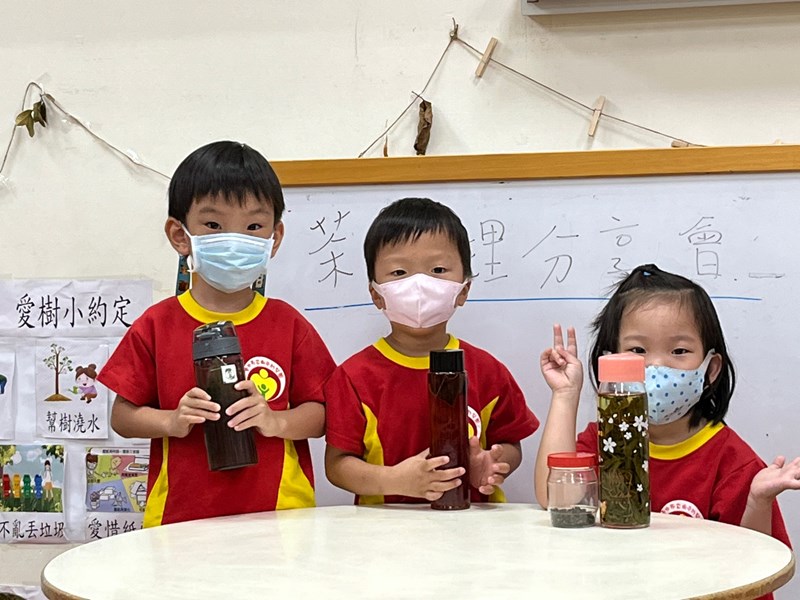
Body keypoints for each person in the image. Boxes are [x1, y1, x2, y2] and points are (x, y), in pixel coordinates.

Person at [98, 141, 336, 527]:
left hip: (281, 517)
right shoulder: (157, 324)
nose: (235, 239)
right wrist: (172, 421)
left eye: (253, 226)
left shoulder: (288, 323)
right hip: (179, 520)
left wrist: (275, 421)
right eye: (213, 225)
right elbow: (122, 417)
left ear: (274, 238)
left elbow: (323, 414)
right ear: (180, 235)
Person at [534, 264, 800, 549]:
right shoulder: (606, 441)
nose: (657, 365)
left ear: (711, 369)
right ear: (610, 362)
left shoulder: (733, 462)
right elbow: (554, 500)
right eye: (637, 350)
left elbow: (759, 560)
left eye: (679, 351)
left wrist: (758, 502)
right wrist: (565, 394)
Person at [325, 197, 539, 505]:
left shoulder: (487, 370)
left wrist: (492, 462)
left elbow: (510, 444)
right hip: (383, 527)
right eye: (399, 272)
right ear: (376, 294)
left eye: (438, 269)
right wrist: (396, 480)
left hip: (471, 524)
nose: (419, 285)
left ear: (463, 290)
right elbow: (337, 465)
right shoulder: (353, 377)